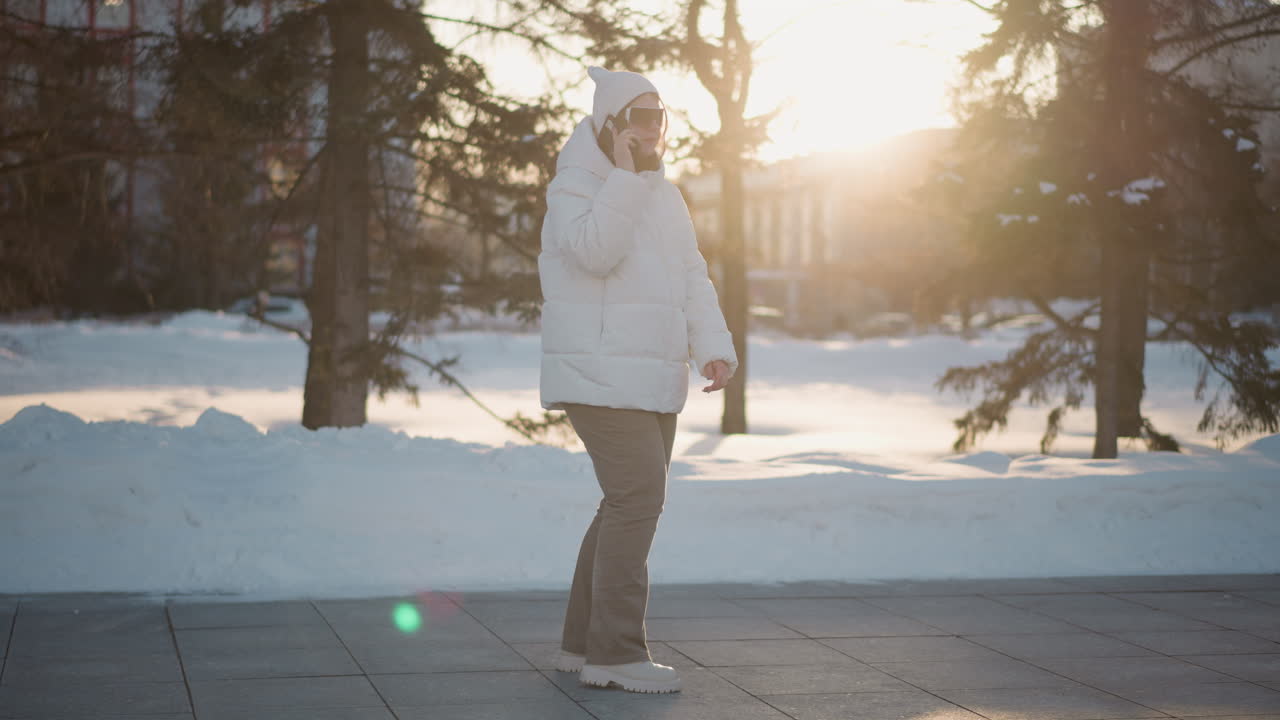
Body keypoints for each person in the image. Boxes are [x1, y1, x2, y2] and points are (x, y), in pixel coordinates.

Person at [538, 65, 738, 694]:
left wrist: (712, 346)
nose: (652, 130)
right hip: (597, 372)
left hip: (651, 375)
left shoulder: (666, 195)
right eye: (639, 118)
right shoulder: (573, 187)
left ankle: (582, 644)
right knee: (639, 499)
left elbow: (690, 275)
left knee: (621, 505)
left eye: (659, 117)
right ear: (611, 124)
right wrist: (624, 176)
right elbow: (595, 252)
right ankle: (617, 654)